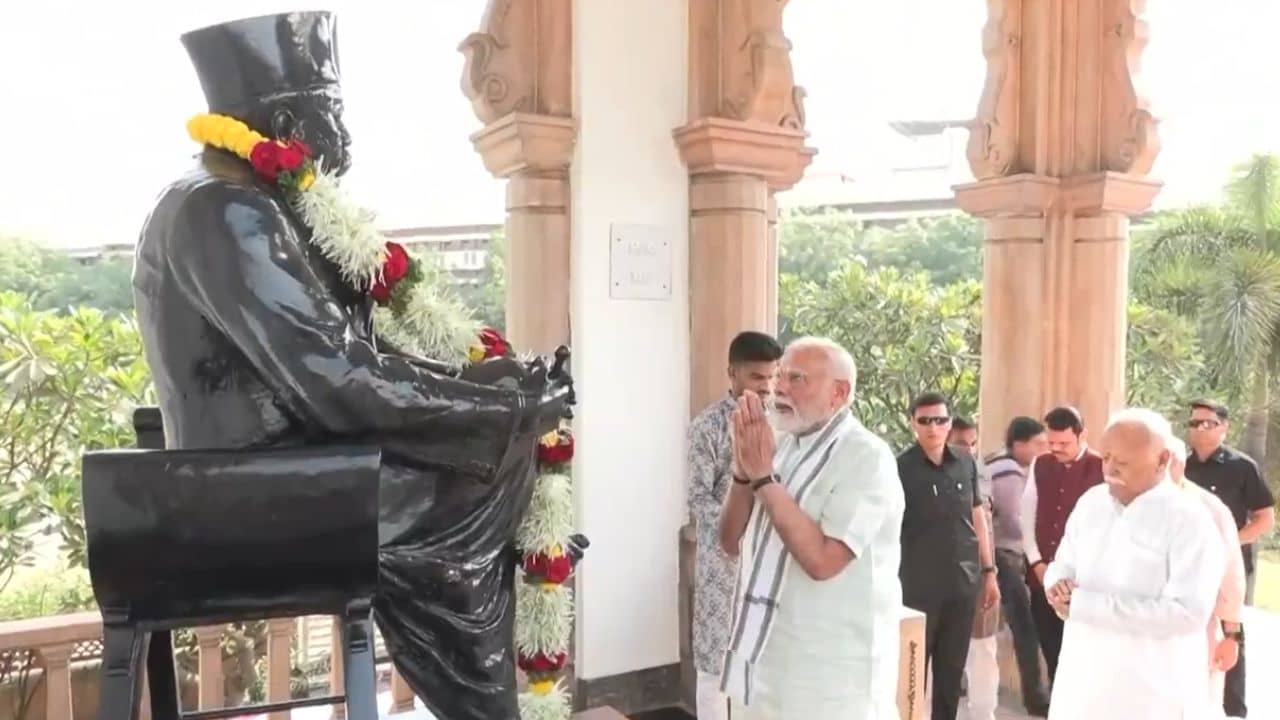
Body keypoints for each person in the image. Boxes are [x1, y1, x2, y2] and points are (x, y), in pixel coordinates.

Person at [135, 13, 570, 719]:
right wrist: (507, 410)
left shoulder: (251, 199)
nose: (344, 134)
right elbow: (338, 381)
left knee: (494, 444)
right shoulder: (227, 210)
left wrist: (486, 385)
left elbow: (357, 356)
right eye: (330, 113)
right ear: (284, 122)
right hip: (258, 493)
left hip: (291, 467)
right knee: (474, 480)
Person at [718, 337, 904, 719]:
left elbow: (823, 561)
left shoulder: (866, 457)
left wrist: (764, 478)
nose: (779, 388)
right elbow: (730, 541)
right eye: (781, 376)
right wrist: (742, 473)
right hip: (764, 659)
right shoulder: (781, 444)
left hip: (829, 676)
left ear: (839, 393)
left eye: (797, 378)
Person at [1043, 408, 1225, 720]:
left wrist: (1086, 605)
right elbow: (1062, 564)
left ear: (1162, 460)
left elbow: (1187, 613)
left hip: (1150, 692)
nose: (1110, 469)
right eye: (1106, 457)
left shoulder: (1190, 520)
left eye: (1123, 462)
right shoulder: (1091, 503)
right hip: (1081, 681)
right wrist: (1055, 585)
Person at [686, 331, 782, 720]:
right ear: (732, 373)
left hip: (771, 556)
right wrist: (736, 527)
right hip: (723, 564)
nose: (767, 387)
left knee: (762, 659)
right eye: (757, 377)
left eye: (772, 377)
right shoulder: (708, 426)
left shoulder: (783, 424)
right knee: (715, 666)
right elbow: (698, 498)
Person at [897, 396, 998, 720]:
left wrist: (989, 571)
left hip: (962, 584)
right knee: (911, 675)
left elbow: (977, 516)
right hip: (917, 588)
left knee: (951, 675)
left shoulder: (965, 463)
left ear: (950, 423)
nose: (933, 427)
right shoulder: (899, 468)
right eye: (925, 420)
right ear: (912, 423)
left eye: (940, 420)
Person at [1183, 399, 1276, 718]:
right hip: (1188, 568)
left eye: (1208, 423)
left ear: (1225, 427)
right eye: (1194, 423)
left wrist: (1228, 543)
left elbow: (1265, 519)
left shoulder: (1242, 467)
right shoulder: (1180, 468)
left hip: (1228, 569)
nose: (1200, 429)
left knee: (1232, 638)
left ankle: (1234, 711)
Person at [1019, 406, 1102, 685]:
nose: (1056, 449)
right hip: (1041, 576)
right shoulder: (1040, 464)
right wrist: (1037, 562)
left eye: (1064, 443)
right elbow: (1027, 516)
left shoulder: (1100, 467)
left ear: (1082, 436)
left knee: (1081, 658)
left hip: (1082, 582)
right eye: (1051, 442)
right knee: (1051, 651)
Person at [1167, 435, 1245, 714]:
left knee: (1193, 701)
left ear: (1178, 465)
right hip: (1145, 632)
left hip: (1197, 629)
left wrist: (1231, 636)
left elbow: (1230, 575)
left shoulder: (1209, 508)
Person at [985, 417, 1051, 715]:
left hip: (995, 554)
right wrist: (1034, 546)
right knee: (1024, 628)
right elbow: (1014, 519)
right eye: (1039, 444)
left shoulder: (994, 464)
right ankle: (1035, 696)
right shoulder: (1009, 472)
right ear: (1019, 444)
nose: (1044, 450)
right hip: (1005, 555)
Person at [949, 417, 1000, 720]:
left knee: (982, 649)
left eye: (972, 444)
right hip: (938, 576)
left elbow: (985, 527)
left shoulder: (980, 472)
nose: (968, 450)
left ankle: (983, 714)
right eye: (960, 444)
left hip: (979, 573)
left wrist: (990, 573)